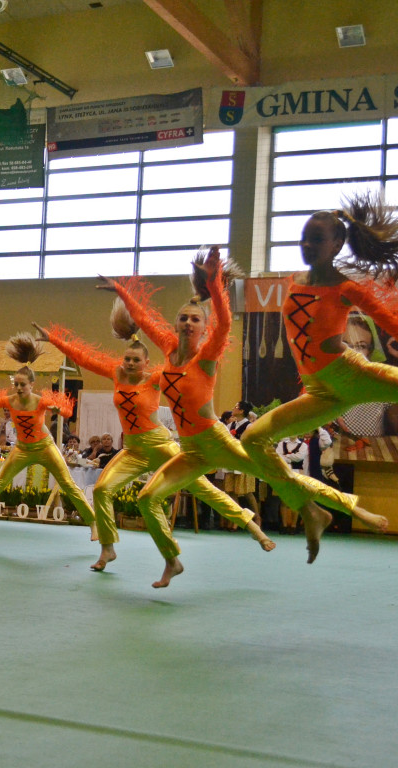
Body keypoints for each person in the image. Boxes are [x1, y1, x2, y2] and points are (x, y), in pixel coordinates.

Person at [107, 247, 370, 584]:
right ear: (175, 324)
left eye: (195, 319)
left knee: (278, 476)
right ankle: (172, 561)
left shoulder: (206, 357)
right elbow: (144, 320)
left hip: (214, 441)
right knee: (147, 498)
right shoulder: (169, 351)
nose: (188, 323)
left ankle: (348, 504)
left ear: (203, 327)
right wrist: (123, 293)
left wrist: (216, 285)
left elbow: (226, 321)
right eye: (183, 318)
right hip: (189, 450)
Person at [35, 300, 269, 574]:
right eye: (128, 359)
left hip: (160, 445)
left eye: (137, 360)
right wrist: (52, 339)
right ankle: (108, 549)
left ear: (147, 363)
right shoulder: (116, 373)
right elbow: (85, 357)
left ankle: (252, 526)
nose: (131, 363)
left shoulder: (157, 377)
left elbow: (185, 375)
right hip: (132, 450)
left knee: (201, 487)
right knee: (101, 490)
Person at [238, 192, 395, 553]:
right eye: (303, 238)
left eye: (318, 239)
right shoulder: (295, 281)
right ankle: (311, 511)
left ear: (338, 244)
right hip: (320, 392)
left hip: (351, 375)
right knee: (252, 440)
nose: (307, 245)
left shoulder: (346, 288)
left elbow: (392, 323)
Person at [0, 332, 95, 537]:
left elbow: (67, 411)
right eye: (16, 384)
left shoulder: (40, 401)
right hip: (22, 449)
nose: (18, 388)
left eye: (23, 385)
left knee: (68, 484)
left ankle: (92, 523)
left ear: (31, 385)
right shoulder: (10, 400)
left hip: (45, 447)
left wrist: (58, 409)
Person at [223, 400, 260, 529]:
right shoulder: (230, 425)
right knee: (230, 490)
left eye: (236, 407)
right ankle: (237, 517)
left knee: (246, 491)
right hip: (232, 459)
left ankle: (257, 516)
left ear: (242, 411)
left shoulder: (249, 426)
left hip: (243, 460)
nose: (233, 408)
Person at [276, 435, 308, 534]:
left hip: (297, 473)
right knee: (284, 499)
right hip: (283, 473)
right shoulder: (281, 443)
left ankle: (294, 526)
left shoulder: (303, 445)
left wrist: (286, 457)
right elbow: (277, 455)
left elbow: (299, 457)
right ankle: (284, 525)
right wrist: (291, 457)